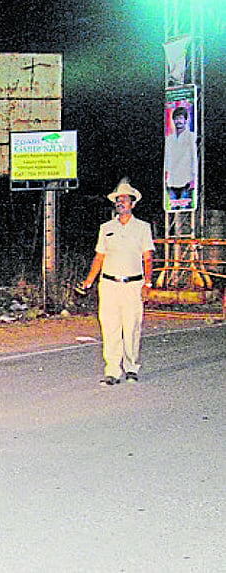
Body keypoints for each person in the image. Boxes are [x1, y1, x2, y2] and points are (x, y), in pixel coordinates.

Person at [80, 179, 155, 385]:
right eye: (118, 199)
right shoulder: (106, 228)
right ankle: (112, 370)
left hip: (133, 285)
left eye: (124, 199)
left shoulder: (142, 228)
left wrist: (147, 284)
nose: (120, 202)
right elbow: (99, 257)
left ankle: (131, 367)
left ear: (132, 203)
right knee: (110, 327)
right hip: (109, 284)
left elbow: (147, 258)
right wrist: (88, 281)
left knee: (131, 327)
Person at [164, 106, 195, 211]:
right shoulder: (169, 139)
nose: (178, 121)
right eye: (176, 118)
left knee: (184, 212)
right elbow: (166, 159)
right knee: (172, 213)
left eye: (181, 118)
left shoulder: (191, 137)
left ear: (186, 120)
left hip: (186, 181)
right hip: (171, 182)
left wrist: (194, 178)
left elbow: (194, 157)